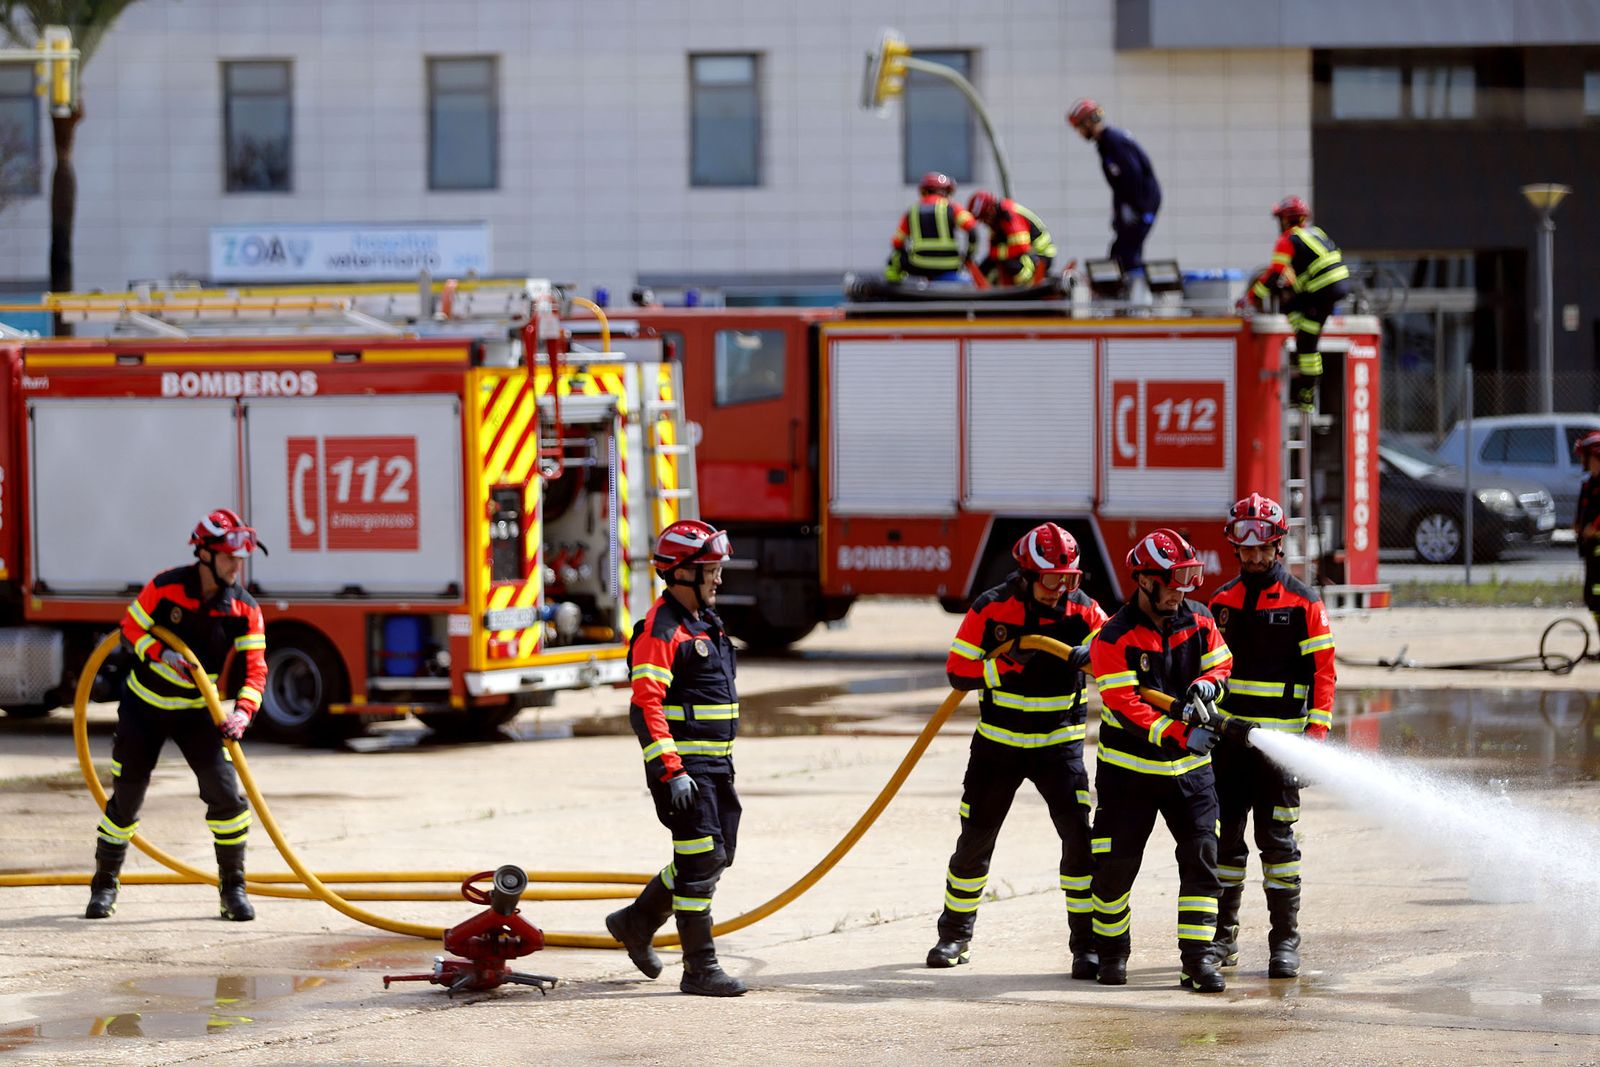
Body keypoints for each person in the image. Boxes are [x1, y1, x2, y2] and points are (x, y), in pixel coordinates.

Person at [931, 523, 1109, 976]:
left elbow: (1117, 651)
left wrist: (1092, 655)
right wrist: (1002, 668)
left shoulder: (1084, 610)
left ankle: (1086, 946)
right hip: (998, 748)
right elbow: (958, 671)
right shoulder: (991, 607)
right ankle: (954, 936)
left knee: (1079, 844)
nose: (1060, 589)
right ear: (1027, 574)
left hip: (1059, 748)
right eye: (1051, 579)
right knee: (974, 842)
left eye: (1069, 579)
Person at [1088, 528, 1252, 992]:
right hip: (1129, 774)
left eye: (1187, 580)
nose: (1181, 591)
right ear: (1144, 580)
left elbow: (1222, 661)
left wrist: (1209, 684)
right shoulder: (1113, 636)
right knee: (1115, 868)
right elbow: (1127, 707)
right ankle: (1112, 954)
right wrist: (1182, 733)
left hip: (1191, 775)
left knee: (1203, 860)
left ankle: (1198, 961)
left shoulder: (1198, 619)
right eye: (1172, 581)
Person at [85, 508, 268, 921]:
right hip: (144, 708)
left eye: (241, 559)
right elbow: (130, 628)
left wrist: (242, 713)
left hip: (198, 712)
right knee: (126, 800)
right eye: (229, 558)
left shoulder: (243, 608)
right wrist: (161, 653)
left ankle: (233, 889)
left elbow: (256, 670)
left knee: (227, 798)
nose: (237, 567)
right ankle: (104, 886)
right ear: (204, 554)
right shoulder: (165, 587)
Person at [606, 519, 747, 997]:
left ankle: (636, 922)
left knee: (715, 856)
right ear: (684, 573)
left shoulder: (704, 623)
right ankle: (700, 968)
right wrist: (672, 770)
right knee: (701, 859)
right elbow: (645, 707)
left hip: (715, 767)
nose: (719, 578)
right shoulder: (661, 631)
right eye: (712, 569)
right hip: (684, 770)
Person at [1206, 494, 1336, 979]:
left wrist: (1314, 740)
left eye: (1263, 549)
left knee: (1278, 845)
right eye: (1247, 550)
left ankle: (1284, 942)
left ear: (1278, 546)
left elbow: (1324, 674)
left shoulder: (1305, 602)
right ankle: (1224, 938)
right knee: (1226, 845)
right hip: (1228, 750)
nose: (1255, 557)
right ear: (1235, 548)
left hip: (1281, 753)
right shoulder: (1220, 602)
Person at [1240, 196, 1352, 412]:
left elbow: (1274, 274)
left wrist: (1251, 297)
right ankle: (1307, 396)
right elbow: (1314, 268)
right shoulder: (1317, 233)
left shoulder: (1287, 239)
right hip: (1337, 286)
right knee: (1309, 340)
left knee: (1296, 321)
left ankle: (1305, 395)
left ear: (1284, 220)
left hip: (1321, 288)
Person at [1066, 98, 1161, 274]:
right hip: (1134, 207)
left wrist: (1135, 209)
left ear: (1088, 122)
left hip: (1142, 207)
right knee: (1118, 254)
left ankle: (1135, 287)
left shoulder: (1114, 141)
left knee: (1126, 257)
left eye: (1079, 127)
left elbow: (1134, 177)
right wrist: (1119, 213)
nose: (1079, 133)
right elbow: (1120, 186)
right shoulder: (1105, 144)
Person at [886, 171, 979, 284]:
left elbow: (897, 242)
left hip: (919, 266)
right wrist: (968, 256)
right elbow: (972, 231)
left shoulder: (912, 211)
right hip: (949, 265)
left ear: (923, 191)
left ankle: (893, 287)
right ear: (945, 191)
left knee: (894, 258)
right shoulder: (953, 208)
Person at [967, 190, 1058, 288]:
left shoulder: (1008, 214)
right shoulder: (996, 222)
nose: (984, 222)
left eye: (984, 217)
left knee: (1007, 261)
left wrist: (997, 253)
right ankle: (982, 289)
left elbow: (1021, 247)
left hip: (1041, 255)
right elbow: (992, 251)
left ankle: (1026, 285)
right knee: (987, 264)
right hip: (1025, 254)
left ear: (990, 209)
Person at [1573, 431, 1600, 639]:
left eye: (1585, 457)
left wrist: (1595, 526)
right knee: (1593, 598)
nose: (1582, 461)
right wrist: (1578, 524)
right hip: (1591, 551)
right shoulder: (1589, 483)